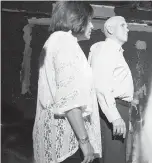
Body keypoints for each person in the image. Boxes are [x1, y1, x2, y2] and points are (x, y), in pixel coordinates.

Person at [33, 2, 102, 163]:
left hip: (57, 140)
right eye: (89, 20)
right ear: (77, 19)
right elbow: (70, 99)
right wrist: (84, 142)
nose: (92, 25)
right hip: (68, 142)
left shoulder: (55, 41)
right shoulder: (66, 43)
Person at [89, 16, 133, 163]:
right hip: (113, 108)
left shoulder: (114, 51)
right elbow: (100, 85)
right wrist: (114, 117)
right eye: (123, 25)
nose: (128, 28)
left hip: (119, 108)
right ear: (110, 29)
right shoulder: (105, 48)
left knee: (117, 157)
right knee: (113, 158)